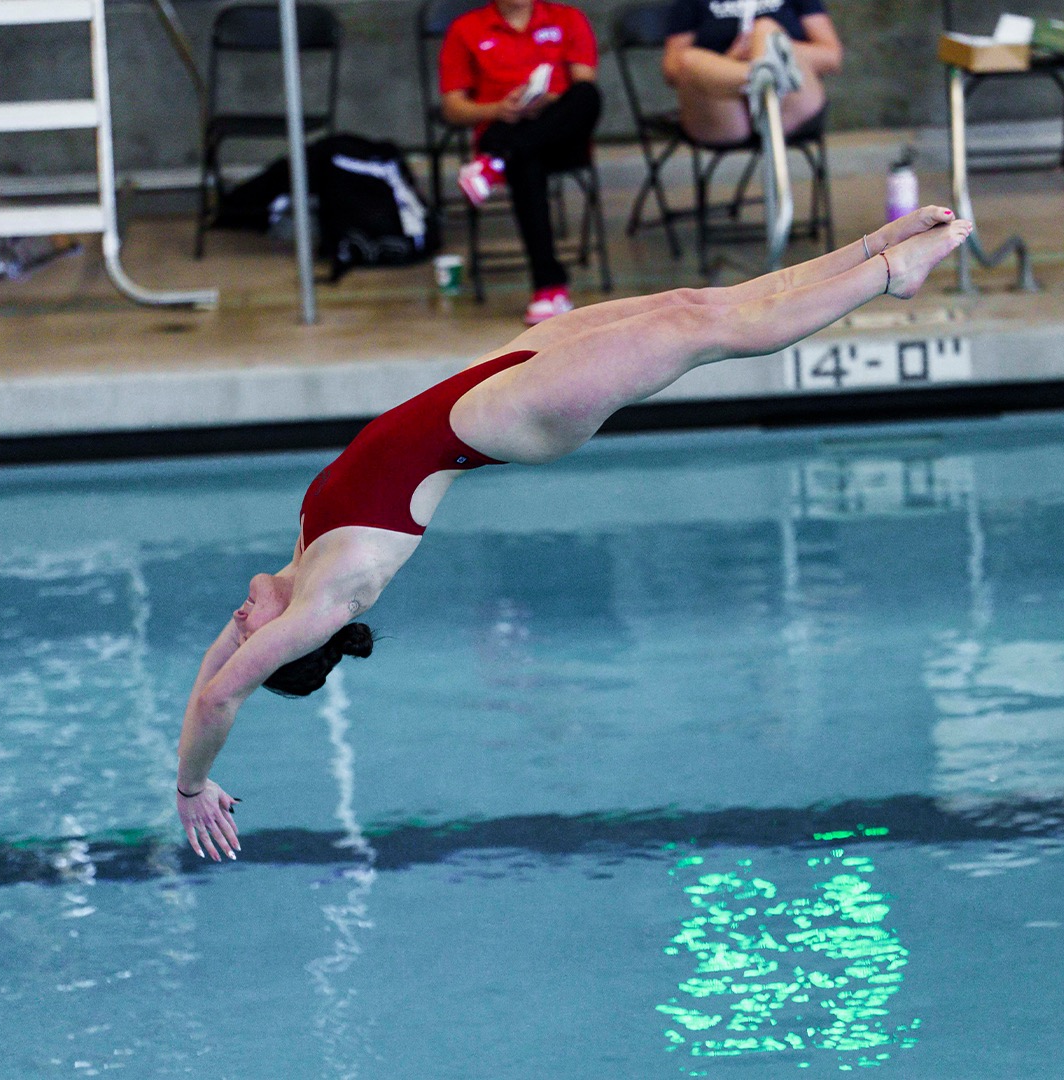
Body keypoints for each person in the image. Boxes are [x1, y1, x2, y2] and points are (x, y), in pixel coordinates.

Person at [172, 206, 973, 860]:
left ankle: (870, 247)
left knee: (692, 305)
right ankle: (888, 275)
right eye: (247, 635)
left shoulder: (298, 566)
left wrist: (222, 684)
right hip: (519, 412)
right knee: (706, 333)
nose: (234, 623)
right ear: (289, 640)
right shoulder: (326, 597)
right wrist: (191, 787)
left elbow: (216, 673)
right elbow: (219, 697)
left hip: (496, 374)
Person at [438, 0, 601, 325]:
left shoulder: (568, 19)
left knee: (587, 95)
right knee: (526, 160)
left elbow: (583, 80)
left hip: (558, 133)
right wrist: (498, 109)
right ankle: (549, 288)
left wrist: (542, 101)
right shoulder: (465, 29)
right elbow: (453, 108)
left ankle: (496, 160)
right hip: (501, 125)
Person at [661, 0, 841, 147]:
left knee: (766, 31)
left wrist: (767, 49)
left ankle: (765, 74)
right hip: (724, 109)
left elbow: (832, 57)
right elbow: (672, 69)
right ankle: (763, 76)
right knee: (688, 60)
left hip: (790, 105)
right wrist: (730, 61)